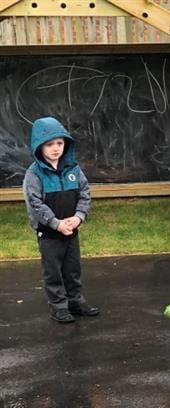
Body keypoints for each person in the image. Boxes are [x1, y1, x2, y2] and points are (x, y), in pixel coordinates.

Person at [23, 117, 99, 323]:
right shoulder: (34, 174)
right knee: (53, 271)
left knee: (72, 269)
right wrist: (56, 223)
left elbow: (84, 193)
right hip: (49, 233)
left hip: (71, 229)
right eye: (49, 144)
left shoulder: (73, 169)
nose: (56, 148)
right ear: (39, 146)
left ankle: (75, 301)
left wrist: (78, 217)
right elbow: (35, 203)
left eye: (60, 143)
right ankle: (58, 306)